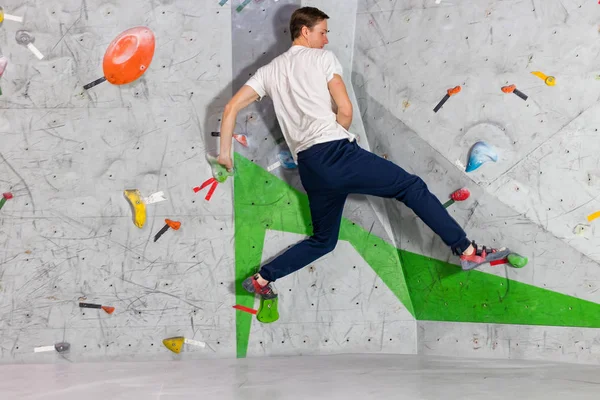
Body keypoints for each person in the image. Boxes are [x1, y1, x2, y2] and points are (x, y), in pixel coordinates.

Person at [217, 7, 510, 300]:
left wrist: (224, 155)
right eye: (322, 32)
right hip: (336, 153)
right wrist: (336, 134)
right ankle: (467, 250)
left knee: (323, 240)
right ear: (305, 31)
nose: (326, 39)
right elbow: (345, 111)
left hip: (310, 167)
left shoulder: (269, 72)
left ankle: (261, 279)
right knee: (410, 187)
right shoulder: (322, 59)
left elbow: (230, 109)